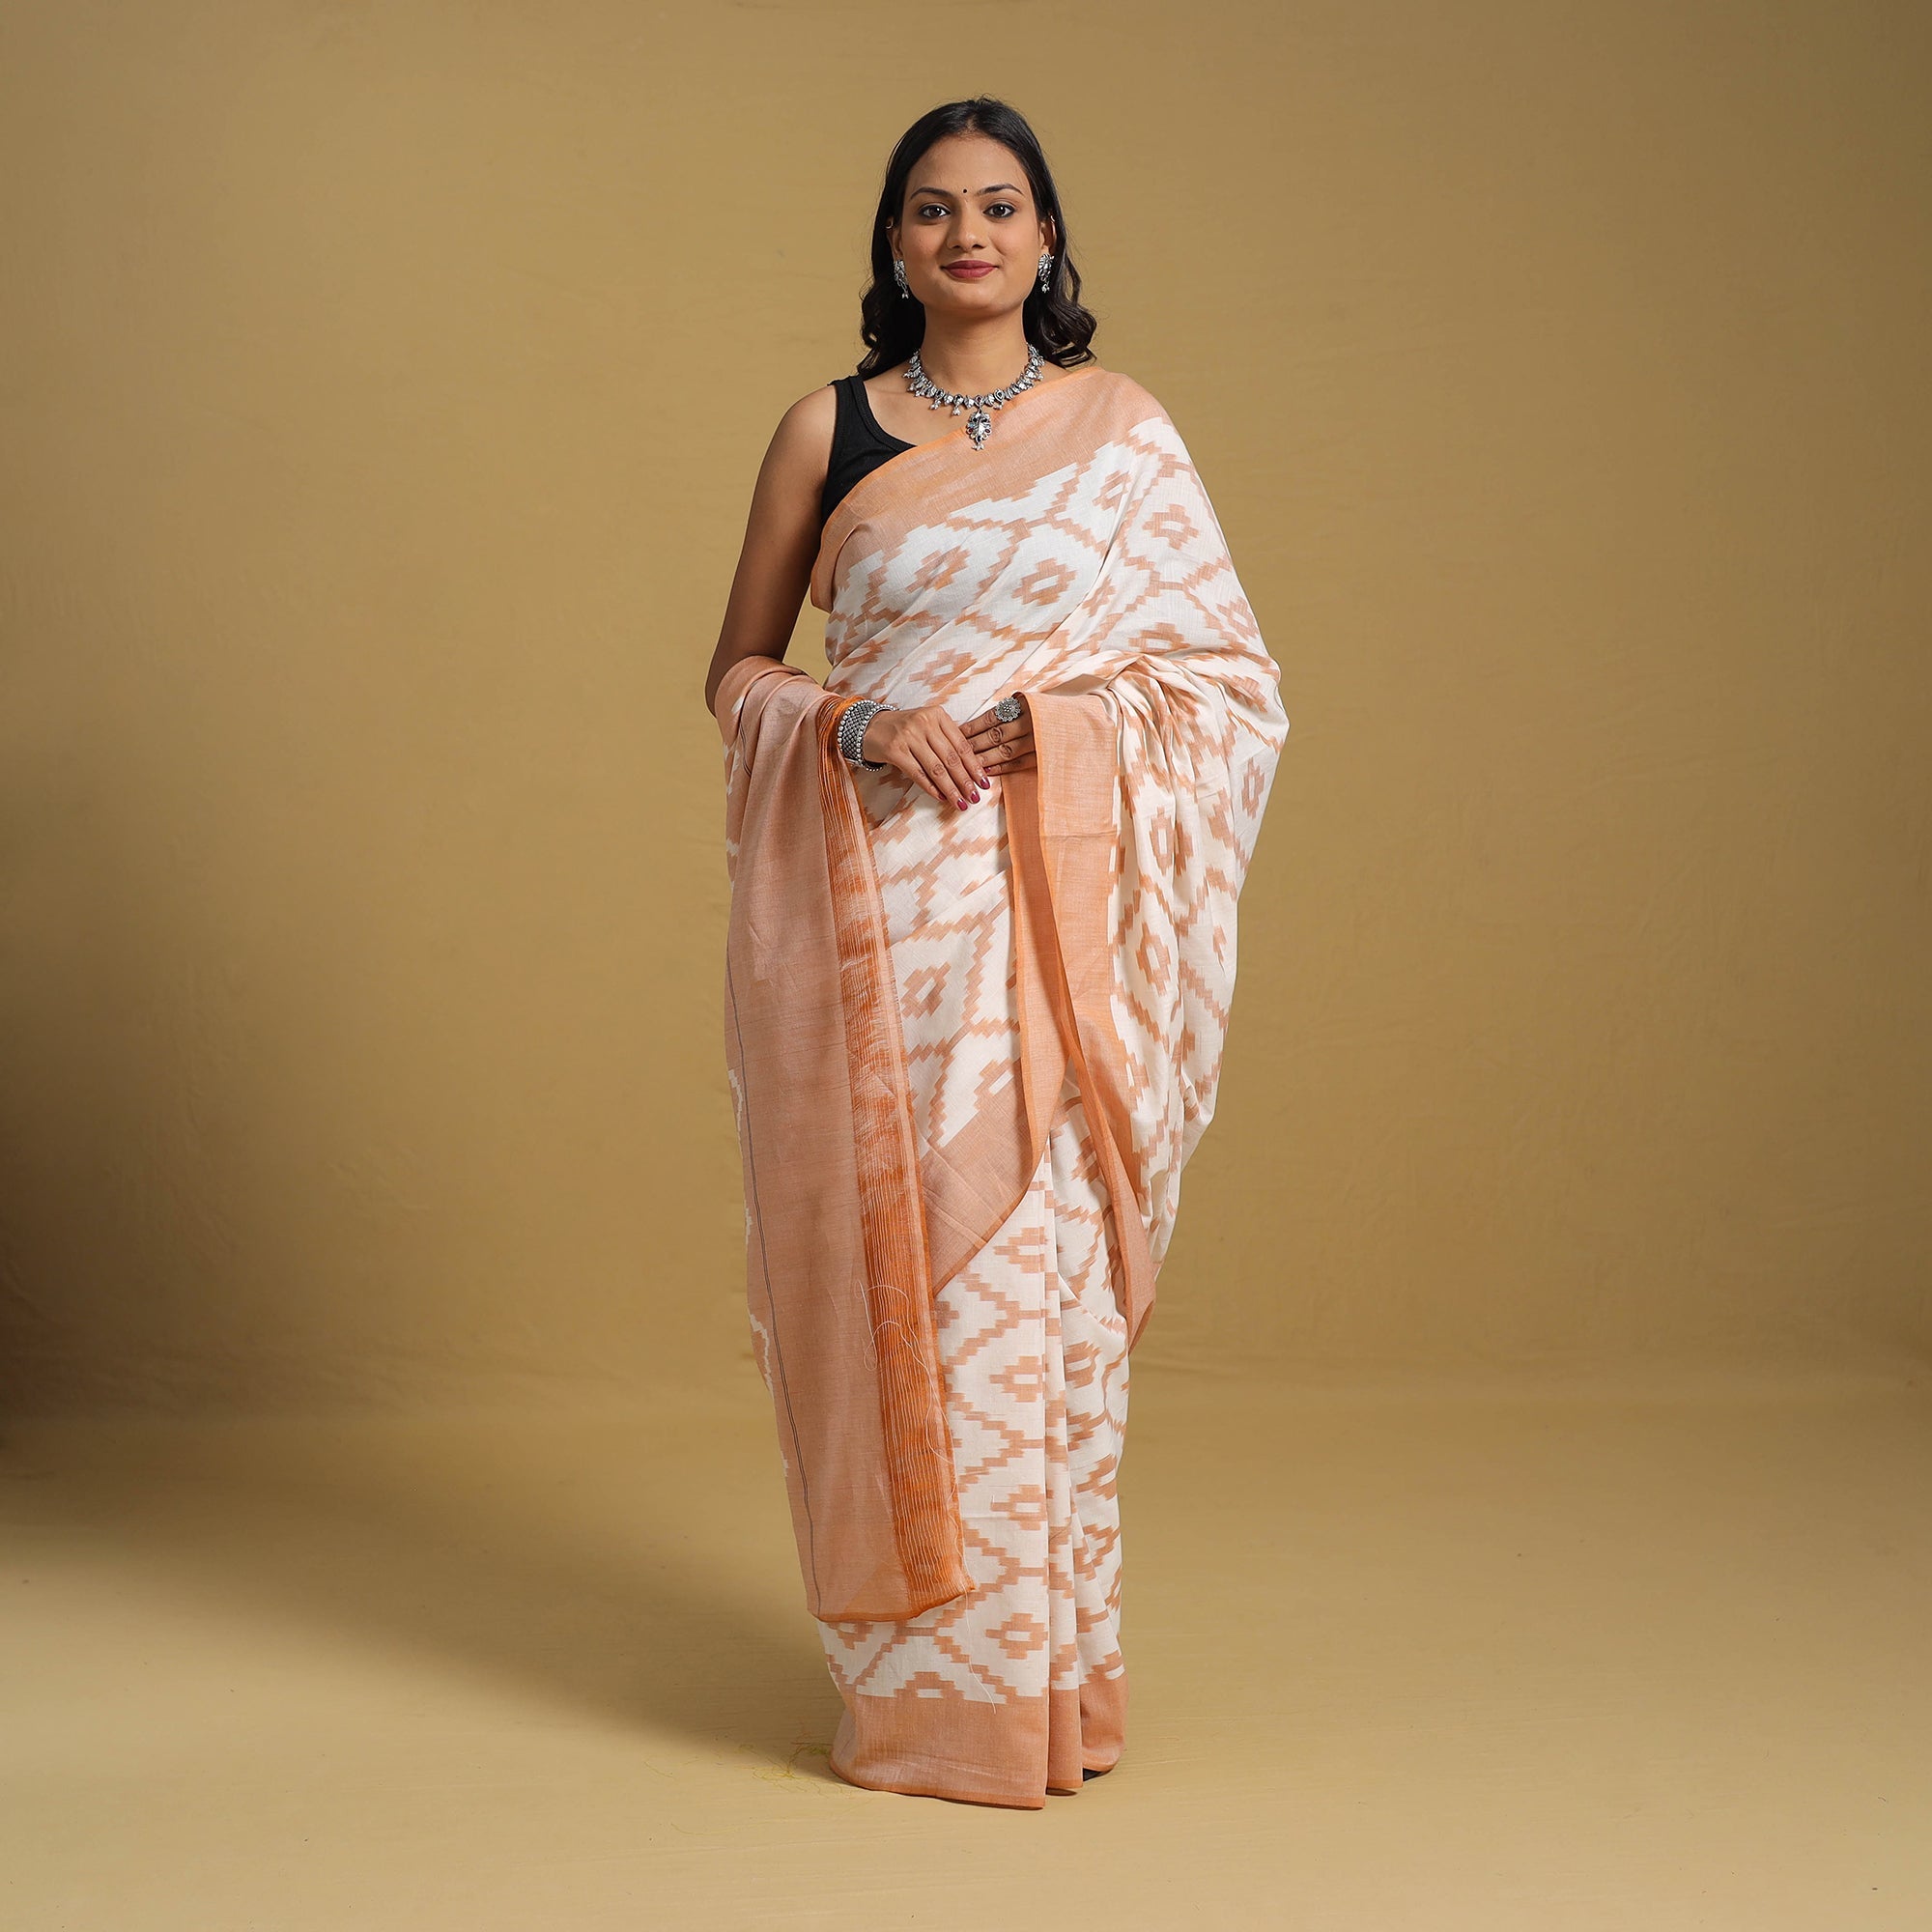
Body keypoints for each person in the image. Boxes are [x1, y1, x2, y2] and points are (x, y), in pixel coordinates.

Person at [704, 96, 1288, 1810]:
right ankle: (928, 1704)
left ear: (1045, 239)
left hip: (1058, 919)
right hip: (883, 921)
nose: (968, 234)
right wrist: (859, 720)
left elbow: (1227, 684)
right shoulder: (826, 430)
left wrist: (1062, 725)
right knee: (908, 1281)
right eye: (933, 208)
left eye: (1001, 206)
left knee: (1044, 1296)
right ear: (895, 242)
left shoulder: (1123, 432)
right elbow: (737, 672)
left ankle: (1048, 1689)